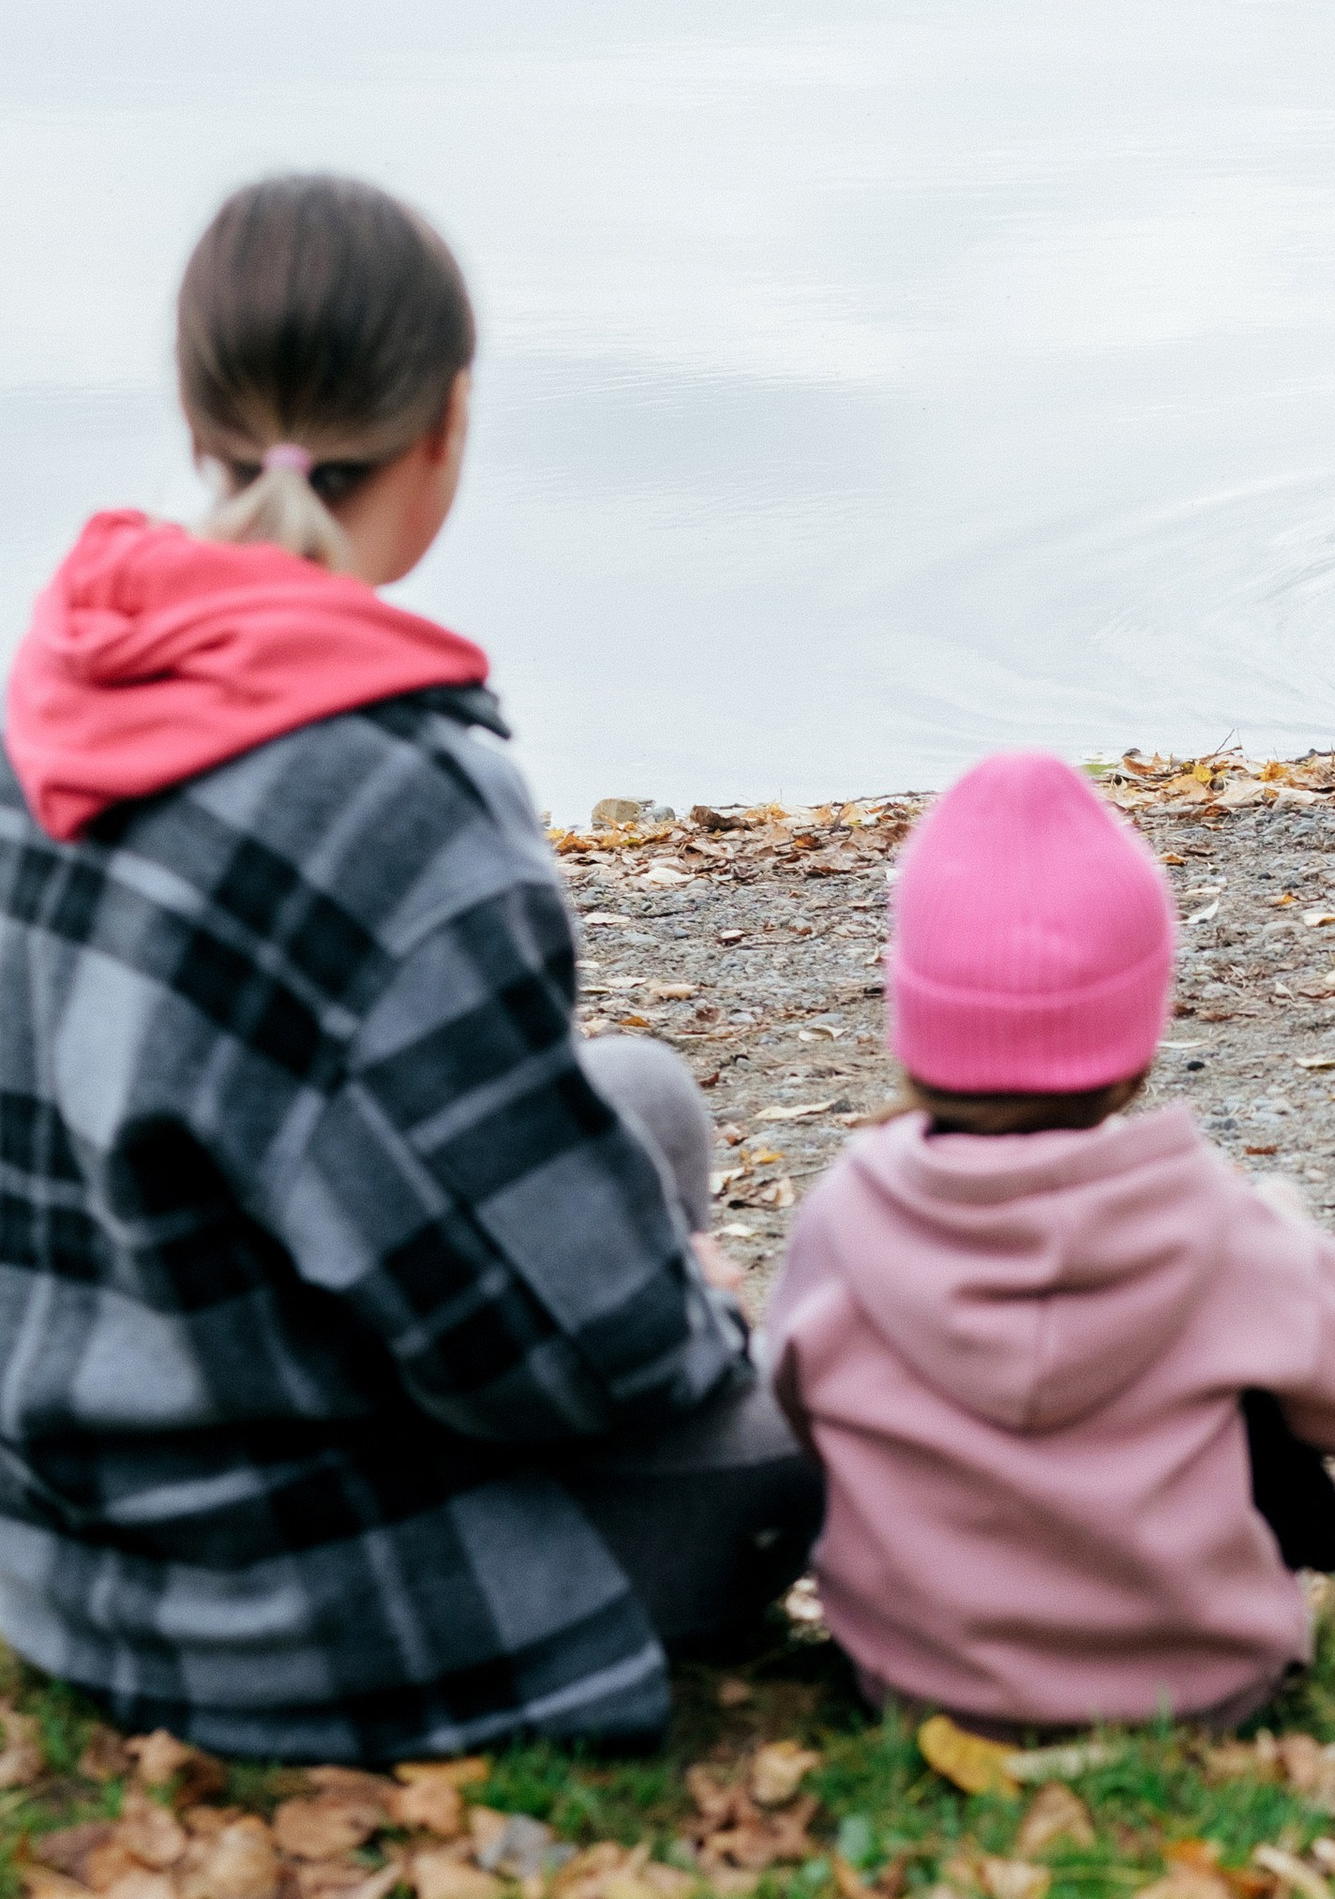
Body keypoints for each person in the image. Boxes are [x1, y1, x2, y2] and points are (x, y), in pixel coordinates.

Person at [0, 172, 819, 1762]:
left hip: (54, 1530)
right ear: (445, 427)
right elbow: (545, 1354)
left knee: (637, 1093)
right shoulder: (404, 803)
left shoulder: (49, 710)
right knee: (829, 1431)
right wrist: (699, 1328)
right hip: (280, 1600)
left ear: (198, 419)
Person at [766, 749, 1335, 1731]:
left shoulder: (847, 1220)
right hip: (1206, 1691)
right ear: (1136, 1036)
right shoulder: (1217, 1225)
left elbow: (795, 1424)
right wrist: (1281, 1224)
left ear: (916, 1022)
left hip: (922, 1688)